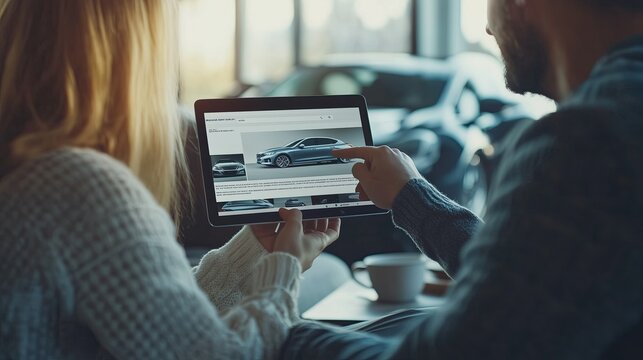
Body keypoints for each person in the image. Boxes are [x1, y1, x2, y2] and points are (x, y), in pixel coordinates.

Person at [281, 0, 643, 358]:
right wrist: (410, 195)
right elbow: (520, 285)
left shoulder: (592, 137)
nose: (488, 28)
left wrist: (270, 329)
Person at [0, 1, 340, 359]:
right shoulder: (81, 186)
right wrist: (285, 267)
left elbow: (160, 325)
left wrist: (253, 251)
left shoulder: (29, 169)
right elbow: (221, 355)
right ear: (133, 54)